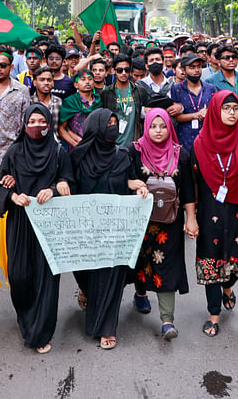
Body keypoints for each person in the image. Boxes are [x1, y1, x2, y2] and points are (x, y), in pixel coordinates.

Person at [0, 105, 74, 353]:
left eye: (42, 121)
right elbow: (0, 184)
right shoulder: (15, 152)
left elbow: (68, 180)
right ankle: (26, 318)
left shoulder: (58, 152)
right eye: (32, 121)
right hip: (20, 221)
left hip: (49, 224)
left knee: (47, 278)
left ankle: (41, 331)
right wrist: (11, 196)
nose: (37, 125)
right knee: (19, 276)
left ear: (49, 125)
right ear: (24, 124)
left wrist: (54, 188)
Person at [70, 109, 146, 349]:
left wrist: (135, 185)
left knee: (112, 275)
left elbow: (129, 182)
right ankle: (85, 290)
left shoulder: (123, 156)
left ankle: (107, 328)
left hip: (115, 230)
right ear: (96, 127)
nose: (113, 127)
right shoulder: (77, 158)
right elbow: (69, 183)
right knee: (87, 274)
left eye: (115, 123)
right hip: (86, 229)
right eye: (108, 123)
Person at [189, 91, 238, 337]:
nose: (231, 113)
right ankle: (213, 314)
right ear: (215, 111)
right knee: (211, 261)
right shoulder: (199, 144)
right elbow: (192, 183)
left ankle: (228, 287)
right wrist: (191, 216)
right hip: (209, 213)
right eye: (226, 108)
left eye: (235, 108)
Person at [129, 108, 196, 339]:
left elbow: (187, 191)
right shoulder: (134, 152)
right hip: (140, 222)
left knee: (167, 265)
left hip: (171, 223)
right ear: (145, 128)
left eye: (163, 126)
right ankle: (140, 294)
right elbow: (122, 179)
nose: (158, 131)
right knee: (141, 261)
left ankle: (167, 321)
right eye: (153, 126)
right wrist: (132, 184)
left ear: (170, 128)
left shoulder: (181, 154)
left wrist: (192, 219)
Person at [171, 53, 218, 153]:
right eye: (192, 67)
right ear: (184, 70)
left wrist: (208, 113)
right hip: (185, 139)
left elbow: (216, 114)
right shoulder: (177, 89)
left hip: (207, 138)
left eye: (199, 67)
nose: (196, 70)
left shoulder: (211, 88)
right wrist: (196, 115)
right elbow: (177, 117)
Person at [101, 54, 149, 147]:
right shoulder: (107, 93)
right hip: (114, 145)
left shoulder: (139, 91)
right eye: (119, 70)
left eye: (126, 70)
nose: (123, 73)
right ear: (113, 70)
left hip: (135, 144)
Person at [206, 45, 238, 124]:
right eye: (227, 57)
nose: (231, 60)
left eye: (234, 57)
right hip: (221, 127)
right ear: (219, 61)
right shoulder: (211, 82)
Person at [58, 70, 102, 148]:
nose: (87, 82)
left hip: (97, 146)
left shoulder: (99, 101)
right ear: (76, 85)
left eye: (90, 79)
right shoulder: (70, 102)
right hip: (76, 147)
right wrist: (78, 146)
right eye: (83, 79)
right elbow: (62, 129)